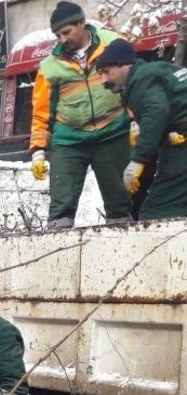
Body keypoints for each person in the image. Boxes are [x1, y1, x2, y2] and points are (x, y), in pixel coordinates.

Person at [29, 1, 132, 228]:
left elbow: (131, 81)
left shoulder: (112, 43)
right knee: (61, 203)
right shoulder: (49, 66)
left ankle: (125, 242)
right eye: (57, 35)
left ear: (82, 23)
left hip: (113, 132)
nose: (62, 39)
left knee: (122, 198)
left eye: (66, 32)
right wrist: (38, 149)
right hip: (69, 140)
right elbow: (41, 110)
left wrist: (134, 121)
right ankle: (58, 246)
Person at [96, 39, 187, 220]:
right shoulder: (156, 71)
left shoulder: (141, 80)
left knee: (158, 211)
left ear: (126, 66)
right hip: (180, 141)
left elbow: (156, 113)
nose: (103, 80)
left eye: (106, 72)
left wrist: (138, 160)